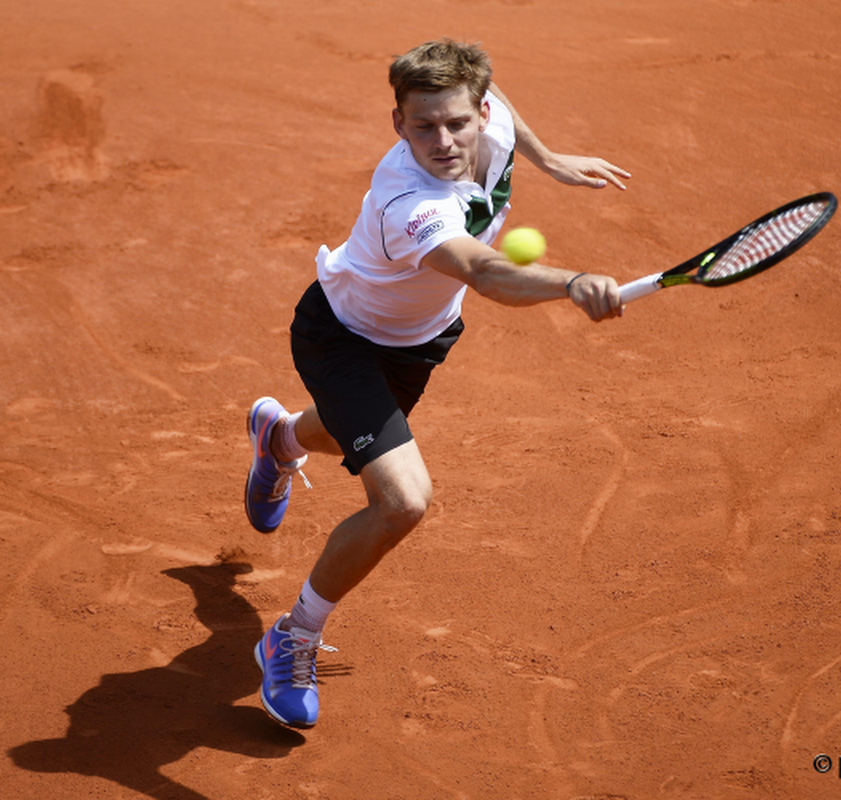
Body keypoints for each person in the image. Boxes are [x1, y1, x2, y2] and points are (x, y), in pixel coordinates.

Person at [245, 39, 629, 729]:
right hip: (341, 338)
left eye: (457, 122)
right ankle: (293, 635)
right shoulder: (409, 201)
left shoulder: (490, 118)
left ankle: (278, 438)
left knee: (341, 433)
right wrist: (570, 283)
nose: (443, 141)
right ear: (398, 124)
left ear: (479, 112)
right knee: (402, 501)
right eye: (422, 126)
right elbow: (483, 272)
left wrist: (547, 158)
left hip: (418, 343)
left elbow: (501, 101)